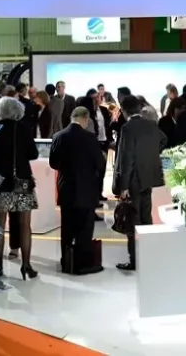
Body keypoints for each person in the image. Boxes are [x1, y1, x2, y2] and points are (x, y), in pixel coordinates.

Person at [0, 97, 40, 279]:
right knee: (24, 225)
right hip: (21, 182)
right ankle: (26, 265)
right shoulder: (23, 128)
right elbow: (33, 153)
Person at [113, 95, 167, 271]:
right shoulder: (151, 125)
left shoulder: (128, 128)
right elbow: (163, 139)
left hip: (133, 181)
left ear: (124, 110)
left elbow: (127, 158)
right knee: (146, 217)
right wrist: (149, 155)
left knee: (133, 220)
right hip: (148, 178)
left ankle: (135, 260)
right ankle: (148, 255)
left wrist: (124, 186)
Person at [49, 107, 105, 275]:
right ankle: (82, 264)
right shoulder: (90, 138)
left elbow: (53, 163)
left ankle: (66, 261)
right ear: (85, 119)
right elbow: (100, 164)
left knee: (67, 226)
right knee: (85, 227)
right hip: (86, 189)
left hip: (66, 188)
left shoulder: (58, 136)